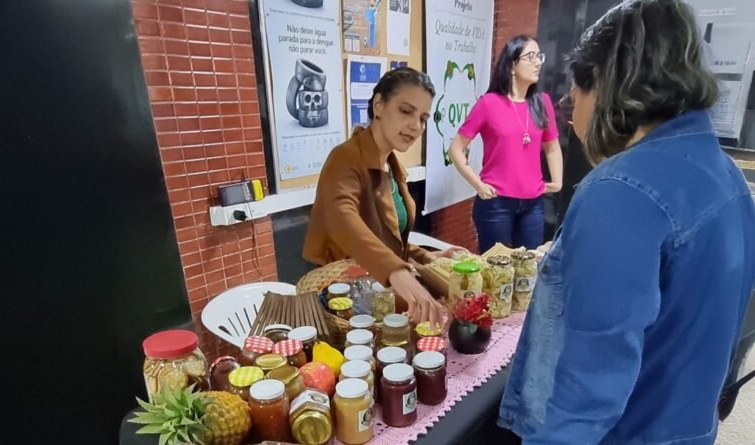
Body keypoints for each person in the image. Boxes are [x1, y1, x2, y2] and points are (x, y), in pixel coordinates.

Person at [498, 1, 755, 443]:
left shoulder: (620, 190)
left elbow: (586, 388)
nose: (571, 119)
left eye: (571, 100)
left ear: (601, 85)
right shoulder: (726, 175)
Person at [303, 67, 460, 327]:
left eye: (423, 118)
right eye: (405, 111)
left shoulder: (391, 167)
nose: (416, 126)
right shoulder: (344, 158)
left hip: (378, 298)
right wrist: (395, 271)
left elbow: (388, 239)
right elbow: (341, 217)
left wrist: (428, 257)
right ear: (379, 105)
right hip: (342, 306)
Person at [448, 35, 563, 254]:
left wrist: (557, 181)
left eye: (539, 56)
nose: (538, 62)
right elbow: (456, 149)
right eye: (531, 56)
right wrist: (478, 185)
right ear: (512, 65)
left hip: (533, 205)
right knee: (493, 270)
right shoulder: (488, 104)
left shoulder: (543, 102)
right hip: (496, 204)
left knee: (528, 269)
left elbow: (553, 146)